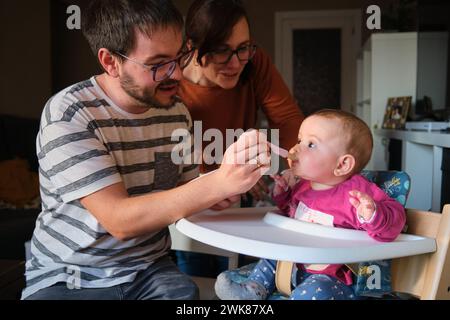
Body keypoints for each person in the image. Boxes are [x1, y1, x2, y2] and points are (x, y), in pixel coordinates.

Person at [21, 0, 270, 300]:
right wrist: (215, 184)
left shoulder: (176, 113)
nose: (176, 74)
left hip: (148, 269)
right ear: (111, 62)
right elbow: (119, 221)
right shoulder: (70, 115)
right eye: (158, 64)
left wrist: (217, 193)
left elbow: (183, 191)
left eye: (180, 57)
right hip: (68, 275)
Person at [215, 109, 407, 300]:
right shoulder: (303, 185)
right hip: (292, 263)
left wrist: (373, 213)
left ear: (342, 165)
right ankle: (253, 289)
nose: (295, 149)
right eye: (299, 140)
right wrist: (283, 194)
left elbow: (394, 223)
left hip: (331, 277)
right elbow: (293, 215)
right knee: (273, 252)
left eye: (311, 144)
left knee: (318, 290)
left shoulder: (359, 193)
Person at [175, 0, 305, 276]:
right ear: (192, 47)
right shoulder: (170, 82)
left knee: (240, 276)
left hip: (240, 194)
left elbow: (287, 120)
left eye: (243, 47)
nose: (235, 63)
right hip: (188, 197)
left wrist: (298, 165)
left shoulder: (254, 63)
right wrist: (208, 184)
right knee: (196, 273)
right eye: (222, 50)